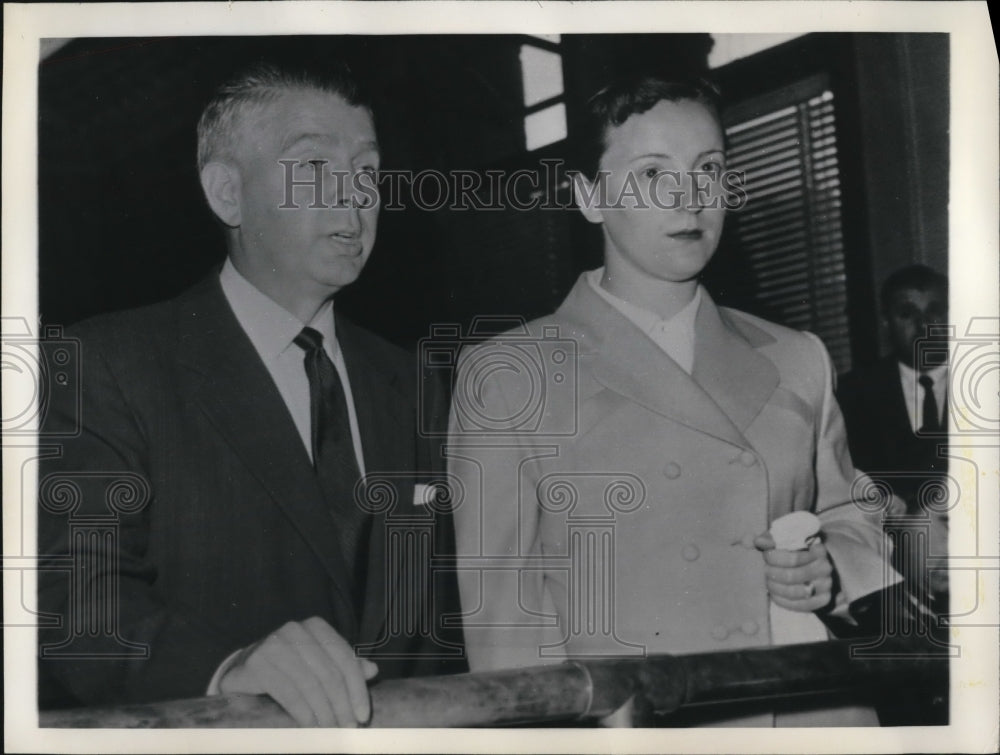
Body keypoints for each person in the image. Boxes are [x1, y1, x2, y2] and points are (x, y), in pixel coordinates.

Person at [448, 76, 900, 726]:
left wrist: (830, 565)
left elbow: (851, 512)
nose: (691, 197)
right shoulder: (508, 375)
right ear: (589, 198)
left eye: (708, 169)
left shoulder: (795, 355)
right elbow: (506, 634)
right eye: (653, 173)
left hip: (809, 712)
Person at [37, 60, 465, 726]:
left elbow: (446, 615)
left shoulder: (415, 383)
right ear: (227, 193)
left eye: (368, 173)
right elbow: (73, 598)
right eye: (316, 169)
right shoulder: (108, 365)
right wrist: (226, 668)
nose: (354, 197)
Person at [836, 265, 950, 614]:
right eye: (907, 314)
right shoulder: (854, 393)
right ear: (887, 323)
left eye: (935, 312)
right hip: (891, 582)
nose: (924, 326)